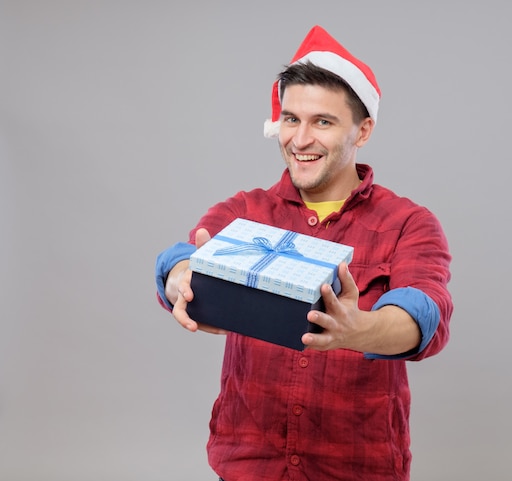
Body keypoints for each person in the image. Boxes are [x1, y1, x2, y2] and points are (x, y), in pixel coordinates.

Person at [155, 25, 453, 481]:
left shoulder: (409, 223)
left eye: (323, 122)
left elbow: (425, 317)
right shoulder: (244, 212)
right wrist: (179, 277)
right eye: (292, 119)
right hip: (247, 466)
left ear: (363, 130)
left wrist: (360, 329)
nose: (300, 139)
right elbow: (178, 257)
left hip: (356, 468)